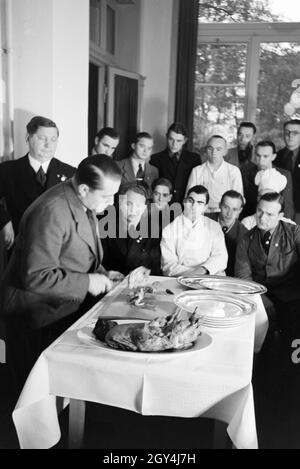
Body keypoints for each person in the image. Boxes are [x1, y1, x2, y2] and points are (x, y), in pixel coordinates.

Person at [0, 155, 123, 391]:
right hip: (34, 314)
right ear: (85, 188)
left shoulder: (81, 198)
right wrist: (87, 281)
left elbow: (77, 249)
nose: (111, 202)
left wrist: (103, 274)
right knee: (35, 395)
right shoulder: (51, 211)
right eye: (107, 196)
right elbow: (36, 276)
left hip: (58, 306)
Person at [0, 116, 75, 250]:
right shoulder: (7, 170)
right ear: (28, 138)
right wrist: (4, 222)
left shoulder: (70, 173)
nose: (48, 145)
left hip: (58, 247)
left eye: (53, 140)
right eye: (42, 139)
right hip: (21, 246)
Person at [235, 191, 300, 335]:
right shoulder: (246, 239)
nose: (262, 217)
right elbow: (243, 277)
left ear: (280, 216)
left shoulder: (294, 232)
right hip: (261, 297)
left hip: (292, 298)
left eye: (269, 214)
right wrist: (259, 300)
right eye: (260, 211)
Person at [160, 185, 228, 277]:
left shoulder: (214, 227)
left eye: (200, 203)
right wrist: (194, 274)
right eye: (190, 201)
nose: (194, 206)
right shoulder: (169, 229)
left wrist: (203, 270)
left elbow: (221, 258)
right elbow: (168, 266)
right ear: (184, 202)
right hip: (180, 279)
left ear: (205, 207)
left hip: (209, 278)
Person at [102, 182, 161, 275]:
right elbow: (100, 265)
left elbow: (156, 267)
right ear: (120, 203)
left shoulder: (154, 230)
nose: (133, 210)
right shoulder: (107, 227)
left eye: (138, 205)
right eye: (128, 204)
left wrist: (148, 271)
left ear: (145, 207)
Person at [186, 135, 243, 213]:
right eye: (210, 148)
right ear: (206, 150)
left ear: (225, 151)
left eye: (218, 149)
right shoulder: (197, 171)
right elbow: (189, 199)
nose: (214, 152)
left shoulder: (234, 171)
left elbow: (238, 200)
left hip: (225, 215)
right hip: (201, 215)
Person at [150, 123, 201, 204]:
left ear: (185, 140)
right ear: (166, 137)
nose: (174, 144)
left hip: (185, 205)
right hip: (163, 205)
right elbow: (154, 187)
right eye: (171, 139)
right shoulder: (155, 159)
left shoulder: (194, 159)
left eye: (178, 141)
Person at [242, 140, 294, 219]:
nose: (261, 160)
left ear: (273, 156)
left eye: (265, 156)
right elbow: (245, 204)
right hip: (252, 220)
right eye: (258, 155)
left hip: (276, 220)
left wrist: (285, 227)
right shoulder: (246, 174)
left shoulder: (284, 175)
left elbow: (287, 205)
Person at [206, 190, 247, 277]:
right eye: (226, 207)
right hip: (201, 272)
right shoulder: (204, 220)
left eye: (235, 209)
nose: (229, 213)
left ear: (240, 210)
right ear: (219, 205)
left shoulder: (244, 234)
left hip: (228, 278)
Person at [274, 119, 300, 223]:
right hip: (281, 210)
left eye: (295, 133)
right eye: (287, 132)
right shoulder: (276, 156)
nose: (290, 135)